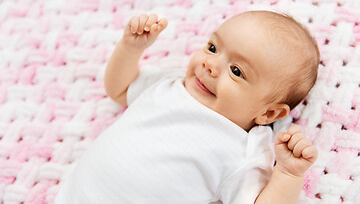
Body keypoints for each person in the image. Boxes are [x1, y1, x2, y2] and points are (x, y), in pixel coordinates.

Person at [55, 11, 319, 204]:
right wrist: (130, 49)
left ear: (268, 113)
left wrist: (288, 173)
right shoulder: (172, 83)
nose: (210, 65)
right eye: (213, 48)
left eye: (236, 71)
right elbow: (119, 90)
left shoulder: (242, 148)